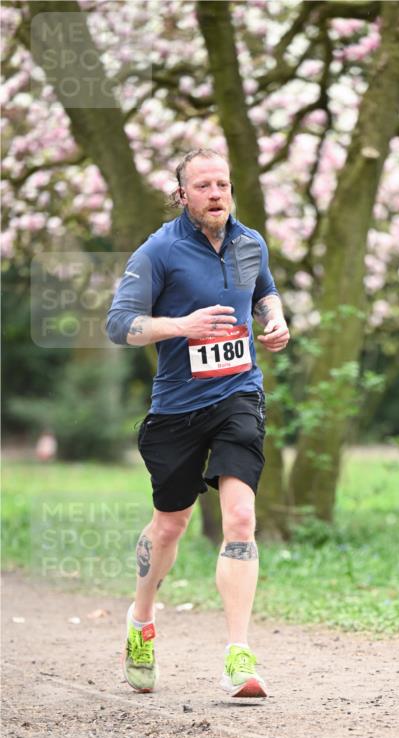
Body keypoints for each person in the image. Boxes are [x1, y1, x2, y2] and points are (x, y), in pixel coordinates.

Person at [106, 148, 289, 698]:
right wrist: (180, 325)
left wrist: (275, 319)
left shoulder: (248, 242)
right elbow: (121, 325)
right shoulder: (158, 251)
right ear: (182, 194)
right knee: (171, 525)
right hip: (178, 408)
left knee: (239, 517)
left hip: (238, 394)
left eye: (223, 184)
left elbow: (264, 293)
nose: (216, 193)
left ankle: (239, 656)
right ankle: (141, 622)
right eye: (204, 185)